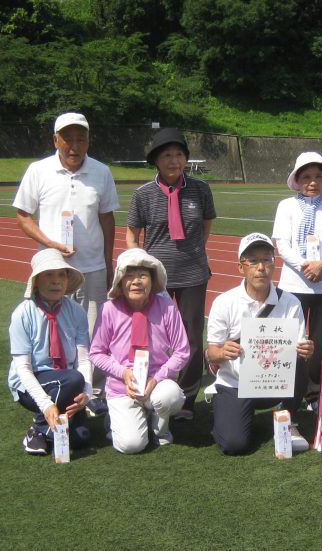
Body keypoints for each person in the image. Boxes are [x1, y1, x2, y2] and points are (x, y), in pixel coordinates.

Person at [12, 112, 119, 416]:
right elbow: (22, 215)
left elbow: (107, 217)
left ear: (88, 140)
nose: (75, 145)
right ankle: (55, 383)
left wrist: (108, 260)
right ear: (55, 139)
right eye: (68, 138)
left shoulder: (101, 172)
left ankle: (92, 391)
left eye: (81, 138)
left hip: (93, 266)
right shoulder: (39, 170)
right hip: (52, 268)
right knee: (50, 329)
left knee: (93, 329)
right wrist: (51, 243)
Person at [126, 128, 216, 422]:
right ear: (156, 160)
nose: (174, 161)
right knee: (151, 334)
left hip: (193, 273)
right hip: (156, 278)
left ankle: (187, 398)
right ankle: (150, 391)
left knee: (190, 336)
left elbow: (205, 225)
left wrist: (193, 252)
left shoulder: (200, 189)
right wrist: (141, 264)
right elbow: (132, 234)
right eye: (167, 155)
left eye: (179, 155)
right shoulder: (143, 194)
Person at [204, 233, 314, 455]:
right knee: (234, 445)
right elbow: (211, 353)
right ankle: (231, 414)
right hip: (235, 384)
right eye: (253, 261)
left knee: (299, 361)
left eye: (267, 260)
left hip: (273, 383)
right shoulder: (224, 302)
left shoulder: (291, 302)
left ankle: (288, 418)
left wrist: (306, 350)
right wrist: (223, 352)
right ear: (240, 267)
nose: (261, 267)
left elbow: (298, 346)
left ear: (274, 265)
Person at [89, 248, 189, 454]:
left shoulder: (167, 306)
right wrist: (123, 374)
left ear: (152, 281)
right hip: (121, 388)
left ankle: (160, 430)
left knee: (170, 396)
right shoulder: (109, 309)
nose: (136, 281)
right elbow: (96, 353)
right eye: (130, 276)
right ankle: (116, 418)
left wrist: (156, 379)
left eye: (143, 275)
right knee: (132, 445)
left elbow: (182, 351)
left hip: (157, 382)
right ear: (120, 282)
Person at [271, 152, 322, 408]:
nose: (312, 182)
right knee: (290, 337)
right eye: (306, 177)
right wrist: (305, 266)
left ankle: (314, 389)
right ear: (297, 179)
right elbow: (282, 244)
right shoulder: (286, 206)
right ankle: (288, 388)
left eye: (318, 176)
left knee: (319, 339)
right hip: (294, 282)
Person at [7, 248, 92, 455]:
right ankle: (38, 425)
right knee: (73, 379)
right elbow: (23, 368)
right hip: (32, 381)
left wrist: (87, 394)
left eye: (61, 275)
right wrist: (46, 406)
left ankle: (45, 431)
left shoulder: (76, 311)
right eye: (49, 275)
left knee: (81, 438)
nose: (57, 281)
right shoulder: (23, 314)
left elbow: (84, 358)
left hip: (67, 381)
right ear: (36, 281)